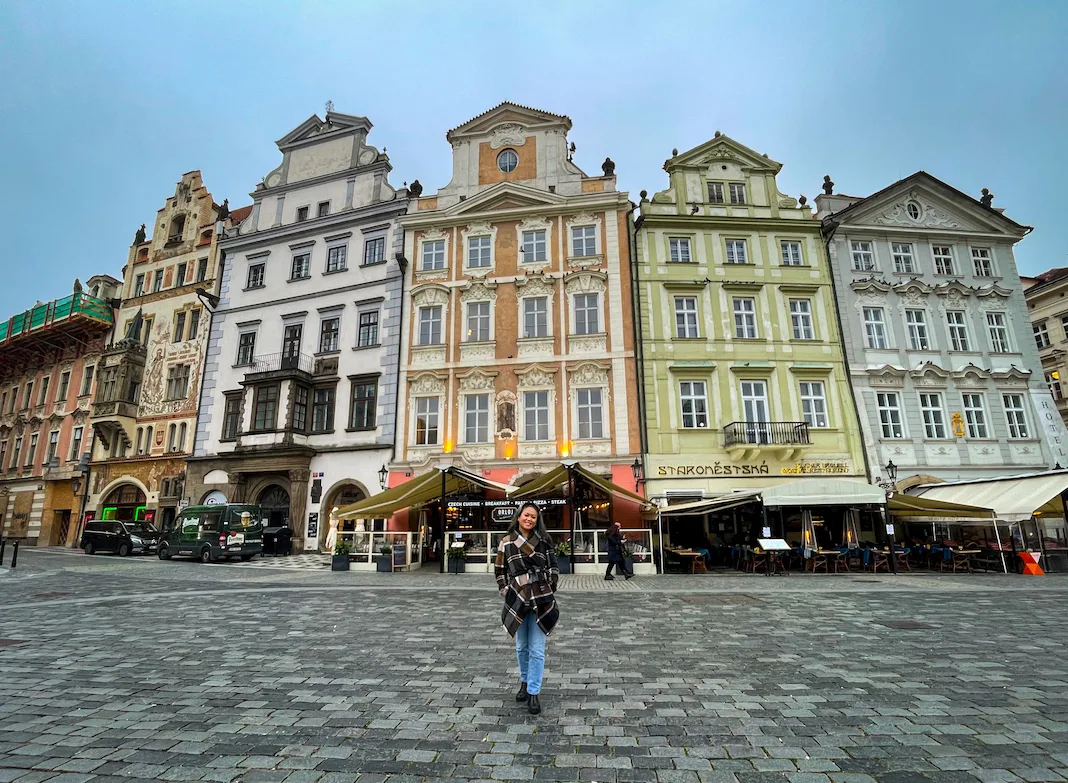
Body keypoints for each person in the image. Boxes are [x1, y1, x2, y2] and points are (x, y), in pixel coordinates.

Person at [494, 503, 559, 715]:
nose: (529, 519)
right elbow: (500, 569)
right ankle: (524, 681)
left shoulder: (543, 541)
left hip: (540, 597)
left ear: (536, 520)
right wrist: (506, 589)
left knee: (537, 649)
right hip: (517, 598)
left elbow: (554, 566)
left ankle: (533, 692)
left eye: (533, 516)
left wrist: (550, 585)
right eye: (526, 515)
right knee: (521, 646)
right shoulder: (506, 542)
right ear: (519, 516)